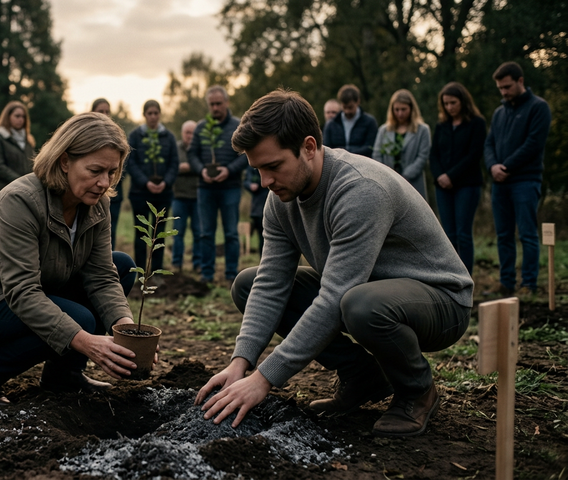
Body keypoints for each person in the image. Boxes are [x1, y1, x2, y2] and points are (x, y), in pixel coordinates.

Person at [196, 90, 473, 438]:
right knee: (249, 284)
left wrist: (263, 380)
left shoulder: (359, 190)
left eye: (273, 166)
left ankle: (417, 390)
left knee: (358, 304)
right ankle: (364, 378)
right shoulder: (280, 198)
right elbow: (271, 283)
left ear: (309, 147)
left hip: (440, 300)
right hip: (362, 292)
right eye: (257, 169)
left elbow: (335, 297)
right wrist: (241, 363)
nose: (265, 181)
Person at [0, 112, 142, 406]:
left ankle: (64, 375)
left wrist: (126, 331)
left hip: (37, 286)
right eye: (95, 170)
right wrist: (86, 342)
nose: (103, 182)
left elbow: (101, 276)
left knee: (122, 265)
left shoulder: (98, 205)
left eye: (111, 172)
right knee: (80, 320)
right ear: (64, 161)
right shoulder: (21, 201)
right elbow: (22, 292)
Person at [484, 61, 551, 296]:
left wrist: (506, 166)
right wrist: (492, 165)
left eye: (507, 87)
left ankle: (529, 284)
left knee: (527, 234)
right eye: (500, 88)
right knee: (503, 235)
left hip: (525, 180)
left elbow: (533, 144)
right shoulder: (499, 112)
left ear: (520, 81)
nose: (503, 92)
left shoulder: (538, 108)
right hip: (500, 183)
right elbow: (489, 143)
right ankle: (506, 282)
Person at [188, 85, 249, 284]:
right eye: (211, 104)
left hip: (230, 187)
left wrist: (229, 170)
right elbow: (192, 153)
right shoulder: (202, 128)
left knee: (231, 232)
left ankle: (231, 273)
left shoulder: (237, 126)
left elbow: (246, 154)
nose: (215, 108)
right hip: (205, 188)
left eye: (218, 104)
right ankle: (207, 273)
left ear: (226, 103)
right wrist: (201, 170)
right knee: (206, 232)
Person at [430, 82, 486, 274]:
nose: (449, 107)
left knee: (463, 234)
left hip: (467, 185)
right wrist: (439, 177)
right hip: (443, 187)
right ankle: (451, 277)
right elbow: (434, 155)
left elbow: (474, 154)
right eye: (445, 104)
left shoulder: (477, 123)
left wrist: (451, 175)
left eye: (453, 103)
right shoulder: (442, 126)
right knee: (447, 235)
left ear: (463, 101)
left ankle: (466, 277)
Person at [126, 100, 179, 274]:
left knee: (159, 234)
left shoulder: (168, 137)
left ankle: (156, 271)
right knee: (141, 234)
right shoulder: (135, 136)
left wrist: (165, 182)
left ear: (160, 114)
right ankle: (141, 271)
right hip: (140, 193)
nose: (153, 117)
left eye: (156, 113)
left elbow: (174, 163)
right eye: (150, 113)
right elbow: (130, 163)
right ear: (144, 115)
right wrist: (146, 182)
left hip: (163, 193)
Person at [373, 89, 431, 199]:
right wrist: (387, 175)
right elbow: (377, 154)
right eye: (397, 109)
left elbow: (423, 157)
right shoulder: (384, 130)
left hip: (413, 184)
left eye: (404, 109)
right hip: (388, 184)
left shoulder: (422, 130)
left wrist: (405, 176)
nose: (400, 113)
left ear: (411, 109)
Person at [0, 101, 35, 201]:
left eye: (23, 117)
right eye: (17, 116)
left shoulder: (28, 140)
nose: (21, 119)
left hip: (26, 193)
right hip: (4, 193)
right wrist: (20, 181)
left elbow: (33, 163)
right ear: (7, 117)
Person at [92, 98, 123, 249]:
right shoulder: (86, 138)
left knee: (110, 230)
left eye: (107, 111)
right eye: (100, 111)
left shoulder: (118, 137)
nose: (104, 115)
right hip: (91, 193)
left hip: (112, 194)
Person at [172, 120, 202, 272]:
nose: (190, 136)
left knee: (198, 232)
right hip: (179, 197)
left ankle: (197, 264)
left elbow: (202, 168)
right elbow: (171, 168)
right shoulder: (176, 148)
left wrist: (189, 168)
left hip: (198, 197)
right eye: (187, 132)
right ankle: (177, 263)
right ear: (182, 133)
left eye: (193, 133)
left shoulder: (200, 148)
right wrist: (181, 168)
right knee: (178, 232)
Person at [322, 84, 378, 157]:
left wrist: (347, 155)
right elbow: (326, 148)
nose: (347, 111)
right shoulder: (331, 124)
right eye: (345, 107)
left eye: (350, 107)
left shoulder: (370, 122)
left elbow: (370, 147)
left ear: (358, 101)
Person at [243, 166, 268, 257]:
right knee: (262, 238)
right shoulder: (252, 167)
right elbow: (246, 181)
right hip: (257, 209)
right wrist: (250, 185)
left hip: (271, 204)